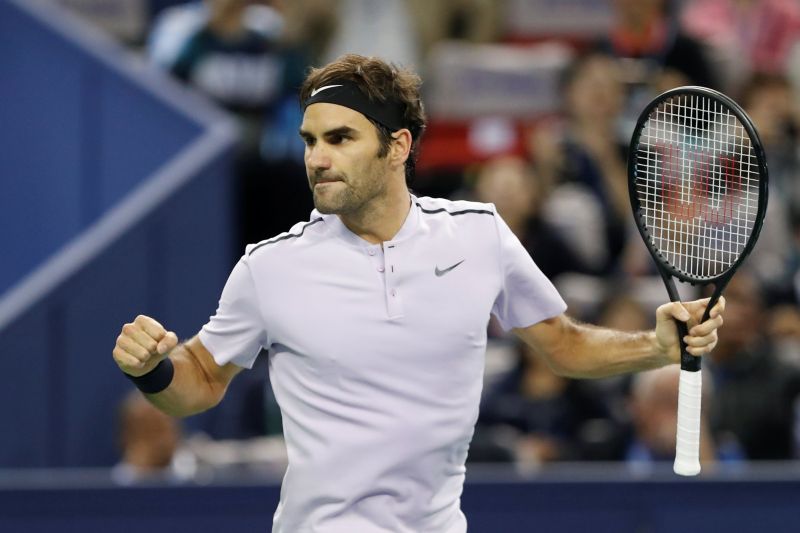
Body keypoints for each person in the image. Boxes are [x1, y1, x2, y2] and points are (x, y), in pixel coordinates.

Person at [112, 54, 725, 533]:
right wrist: (154, 372)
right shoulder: (269, 268)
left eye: (340, 138)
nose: (317, 159)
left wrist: (658, 345)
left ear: (397, 146)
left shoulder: (479, 235)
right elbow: (199, 381)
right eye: (310, 140)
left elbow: (562, 344)